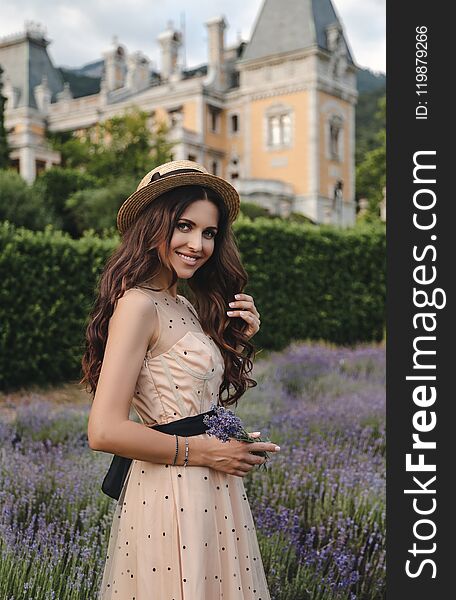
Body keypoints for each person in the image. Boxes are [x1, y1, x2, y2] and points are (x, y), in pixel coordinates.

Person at [81, 160, 281, 599]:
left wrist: (235, 341)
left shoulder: (182, 304)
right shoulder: (137, 305)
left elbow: (188, 403)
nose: (198, 244)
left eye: (209, 233)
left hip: (210, 486)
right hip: (172, 490)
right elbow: (104, 430)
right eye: (185, 226)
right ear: (153, 227)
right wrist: (204, 450)